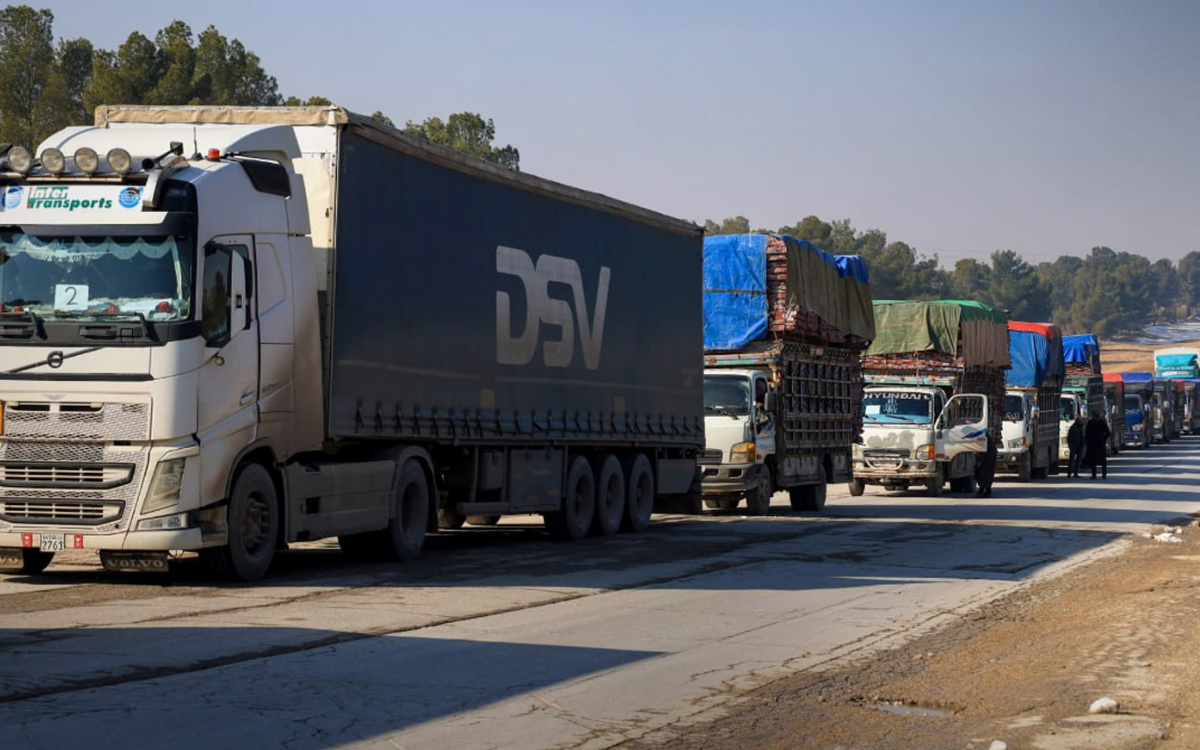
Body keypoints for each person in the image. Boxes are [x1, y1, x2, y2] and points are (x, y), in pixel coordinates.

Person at [1085, 410, 1111, 479]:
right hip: (1097, 444)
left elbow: (1087, 434)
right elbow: (1108, 433)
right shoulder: (1098, 423)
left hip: (1095, 444)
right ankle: (1101, 474)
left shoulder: (1093, 423)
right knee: (1099, 460)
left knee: (1097, 460)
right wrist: (1103, 439)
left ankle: (1098, 475)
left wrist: (1103, 439)